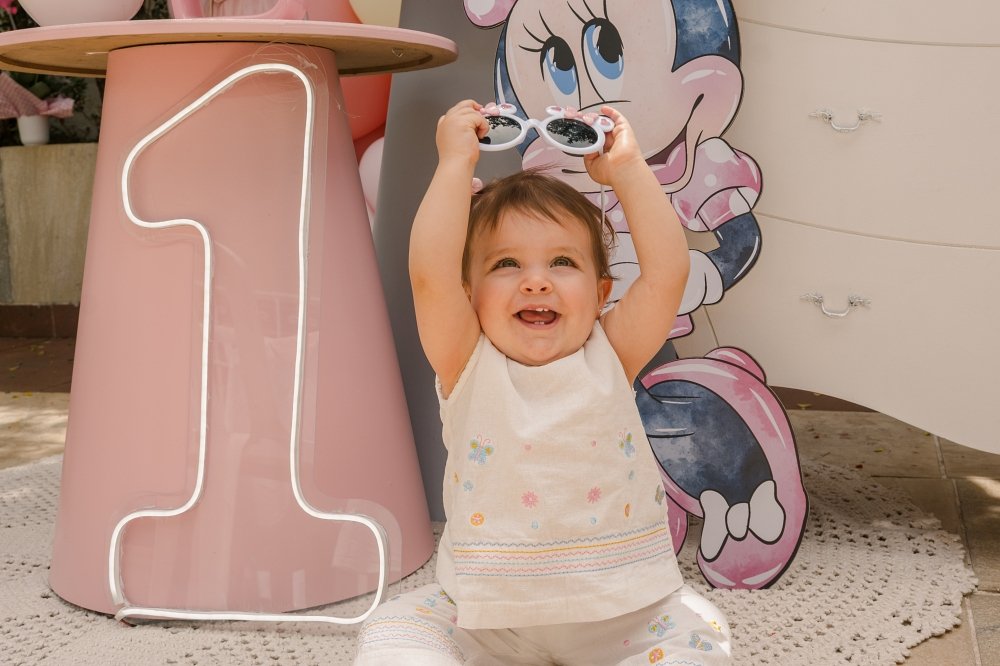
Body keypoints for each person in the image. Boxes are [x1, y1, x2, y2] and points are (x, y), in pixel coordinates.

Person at [353, 100, 733, 665]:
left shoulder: (611, 353)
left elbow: (667, 272)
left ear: (601, 293)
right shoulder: (465, 361)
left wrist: (628, 169)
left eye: (562, 263)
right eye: (506, 265)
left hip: (620, 610)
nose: (536, 283)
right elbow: (429, 276)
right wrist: (454, 165)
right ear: (469, 292)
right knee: (394, 630)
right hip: (489, 617)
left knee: (703, 634)